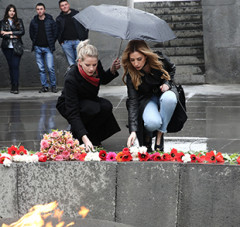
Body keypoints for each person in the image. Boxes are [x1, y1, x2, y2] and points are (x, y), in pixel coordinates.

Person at [56, 39, 121, 151]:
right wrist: (84, 139)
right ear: (79, 61)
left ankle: (92, 136)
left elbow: (103, 79)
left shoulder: (96, 65)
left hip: (88, 100)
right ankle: (79, 135)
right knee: (93, 108)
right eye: (87, 65)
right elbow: (73, 111)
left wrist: (112, 70)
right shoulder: (71, 78)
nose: (91, 68)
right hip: (69, 104)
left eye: (94, 65)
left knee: (106, 106)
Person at [122, 40, 177, 152]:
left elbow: (172, 70)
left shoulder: (159, 59)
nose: (136, 63)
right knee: (152, 123)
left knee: (170, 98)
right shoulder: (131, 74)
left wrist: (167, 84)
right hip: (147, 100)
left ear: (146, 56)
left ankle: (159, 136)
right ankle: (149, 134)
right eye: (132, 60)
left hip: (164, 94)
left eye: (139, 59)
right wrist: (133, 131)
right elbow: (133, 101)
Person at [29, 3, 58, 93]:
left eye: (41, 9)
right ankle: (45, 86)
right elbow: (31, 33)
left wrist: (51, 43)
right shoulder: (34, 21)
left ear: (44, 10)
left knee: (50, 68)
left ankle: (53, 86)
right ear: (36, 10)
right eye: (38, 9)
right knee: (41, 69)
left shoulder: (50, 21)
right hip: (38, 48)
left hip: (48, 48)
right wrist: (36, 43)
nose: (39, 11)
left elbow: (55, 33)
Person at [0, 4, 25, 94]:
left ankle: (15, 86)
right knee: (11, 67)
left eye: (13, 11)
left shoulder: (19, 21)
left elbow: (22, 32)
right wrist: (14, 35)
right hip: (6, 48)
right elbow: (1, 34)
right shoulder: (2, 22)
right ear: (7, 12)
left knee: (15, 67)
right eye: (10, 10)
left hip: (17, 47)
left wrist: (9, 32)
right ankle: (12, 85)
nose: (12, 12)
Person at [56, 0, 88, 66]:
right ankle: (74, 76)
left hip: (78, 42)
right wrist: (61, 41)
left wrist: (84, 38)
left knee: (80, 63)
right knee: (72, 64)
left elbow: (85, 25)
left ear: (68, 5)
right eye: (62, 5)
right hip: (66, 43)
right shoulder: (59, 18)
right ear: (60, 8)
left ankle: (80, 76)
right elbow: (57, 31)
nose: (64, 6)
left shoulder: (77, 14)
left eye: (66, 4)